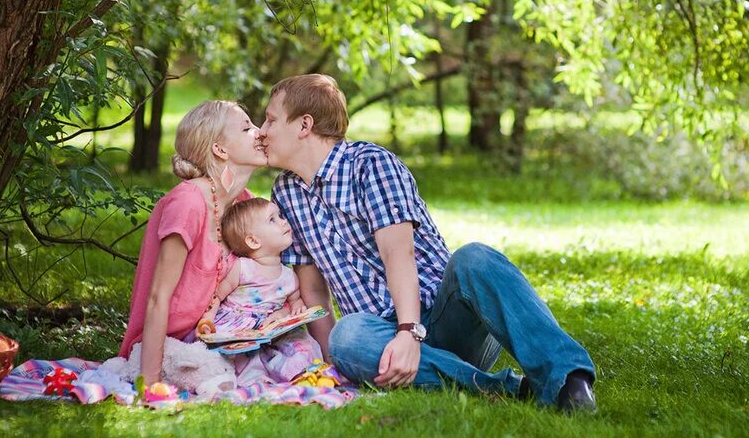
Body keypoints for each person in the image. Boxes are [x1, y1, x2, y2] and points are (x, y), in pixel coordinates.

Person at [259, 74, 597, 414]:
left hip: (442, 318)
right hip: (380, 338)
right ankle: (501, 387)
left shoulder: (370, 165)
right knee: (346, 338)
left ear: (304, 125)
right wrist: (334, 366)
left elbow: (398, 254)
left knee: (474, 258)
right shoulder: (285, 192)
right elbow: (314, 292)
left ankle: (569, 379)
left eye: (271, 119)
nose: (262, 130)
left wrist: (409, 332)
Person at [118, 100, 266, 386]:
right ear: (220, 150)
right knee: (209, 370)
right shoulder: (187, 202)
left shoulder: (245, 203)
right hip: (170, 346)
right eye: (247, 127)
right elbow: (158, 296)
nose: (259, 133)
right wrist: (149, 382)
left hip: (217, 337)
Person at [189, 197, 322, 384]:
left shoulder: (289, 276)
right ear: (253, 240)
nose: (284, 221)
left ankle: (295, 374)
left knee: (302, 346)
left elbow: (295, 302)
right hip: (238, 327)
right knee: (241, 358)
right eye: (272, 220)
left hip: (270, 330)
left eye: (280, 216)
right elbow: (217, 295)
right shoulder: (243, 268)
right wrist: (208, 318)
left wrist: (290, 311)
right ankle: (248, 380)